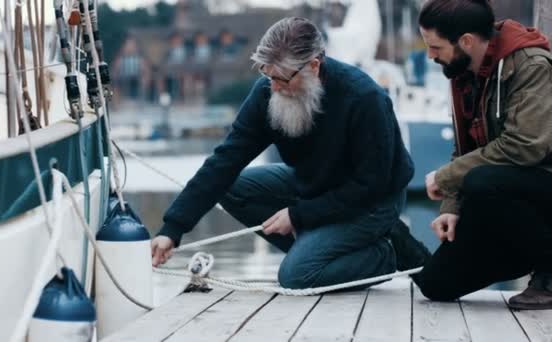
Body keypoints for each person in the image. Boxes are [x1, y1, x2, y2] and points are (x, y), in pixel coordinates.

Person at [150, 17, 424, 289]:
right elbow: (225, 160)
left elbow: (371, 185)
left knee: (296, 277)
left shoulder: (365, 98)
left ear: (314, 66)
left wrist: (298, 216)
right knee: (232, 188)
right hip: (314, 186)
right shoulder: (268, 92)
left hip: (373, 203)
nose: (274, 87)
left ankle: (384, 253)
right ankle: (320, 249)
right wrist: (173, 229)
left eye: (281, 78)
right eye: (268, 75)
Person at [413, 0, 552, 309]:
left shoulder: (531, 65)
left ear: (466, 41)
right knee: (437, 284)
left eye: (435, 46)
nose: (430, 55)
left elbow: (525, 145)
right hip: (507, 194)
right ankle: (522, 254)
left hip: (541, 187)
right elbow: (466, 147)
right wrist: (452, 205)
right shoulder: (464, 71)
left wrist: (446, 177)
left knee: (482, 180)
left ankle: (548, 272)